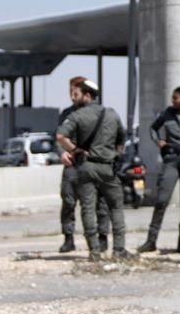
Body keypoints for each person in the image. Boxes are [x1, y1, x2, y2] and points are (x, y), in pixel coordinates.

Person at [55, 76, 130, 260]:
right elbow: (122, 137)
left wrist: (75, 150)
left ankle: (94, 250)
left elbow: (60, 136)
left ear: (87, 95)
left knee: (88, 207)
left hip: (85, 166)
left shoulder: (76, 115)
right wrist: (115, 154)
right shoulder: (111, 113)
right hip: (107, 167)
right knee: (115, 207)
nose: (73, 95)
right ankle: (119, 250)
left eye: (76, 92)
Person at [139, 86, 180, 253]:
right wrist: (158, 141)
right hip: (171, 160)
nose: (173, 101)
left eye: (176, 98)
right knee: (161, 200)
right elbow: (153, 128)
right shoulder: (167, 113)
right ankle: (151, 241)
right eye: (172, 98)